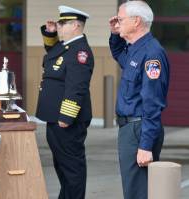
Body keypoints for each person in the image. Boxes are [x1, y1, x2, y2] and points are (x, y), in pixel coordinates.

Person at [108, 1, 170, 199]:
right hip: (130, 129)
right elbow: (118, 54)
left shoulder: (152, 53)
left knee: (138, 192)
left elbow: (152, 103)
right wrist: (115, 35)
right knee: (134, 189)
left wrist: (145, 145)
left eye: (121, 19)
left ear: (136, 21)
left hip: (139, 128)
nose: (118, 22)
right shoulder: (136, 48)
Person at [36, 5, 94, 199]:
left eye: (63, 23)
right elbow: (52, 53)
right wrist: (50, 33)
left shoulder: (80, 52)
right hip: (54, 118)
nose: (59, 26)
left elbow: (76, 87)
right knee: (61, 166)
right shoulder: (66, 47)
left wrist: (66, 117)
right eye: (59, 23)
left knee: (72, 169)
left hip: (66, 121)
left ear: (76, 25)